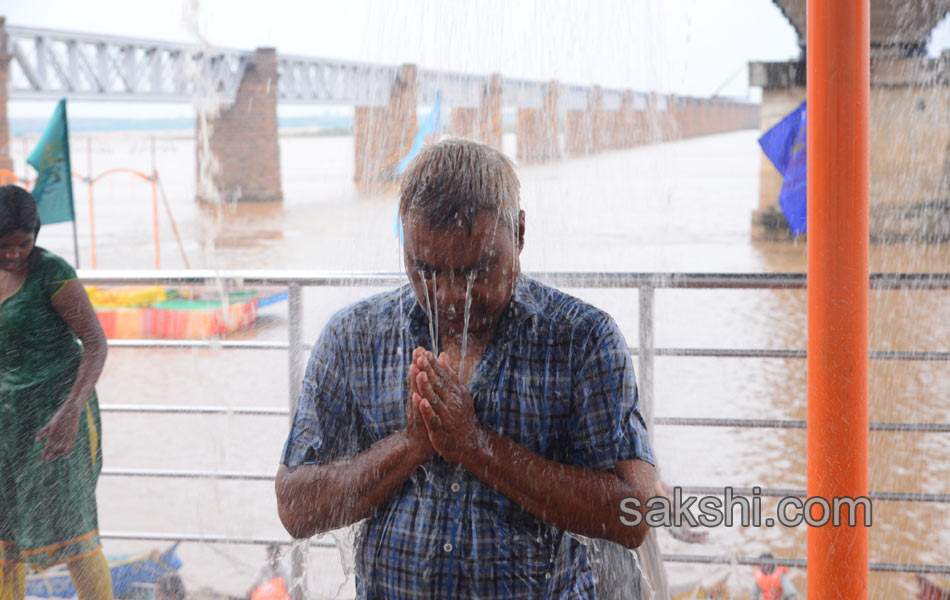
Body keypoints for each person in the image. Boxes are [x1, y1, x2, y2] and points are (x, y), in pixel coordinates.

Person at [275, 138, 657, 598]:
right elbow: (296, 508)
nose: (450, 296)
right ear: (404, 240)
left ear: (519, 233)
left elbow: (636, 513)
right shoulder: (355, 337)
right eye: (426, 270)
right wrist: (410, 446)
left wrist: (477, 447)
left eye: (477, 272)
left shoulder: (582, 340)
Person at [0, 185, 113, 600]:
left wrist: (69, 413)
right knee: (4, 539)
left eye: (23, 244)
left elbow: (96, 344)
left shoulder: (52, 272)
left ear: (36, 236)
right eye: (4, 245)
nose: (13, 254)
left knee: (75, 533)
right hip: (8, 423)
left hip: (58, 419)